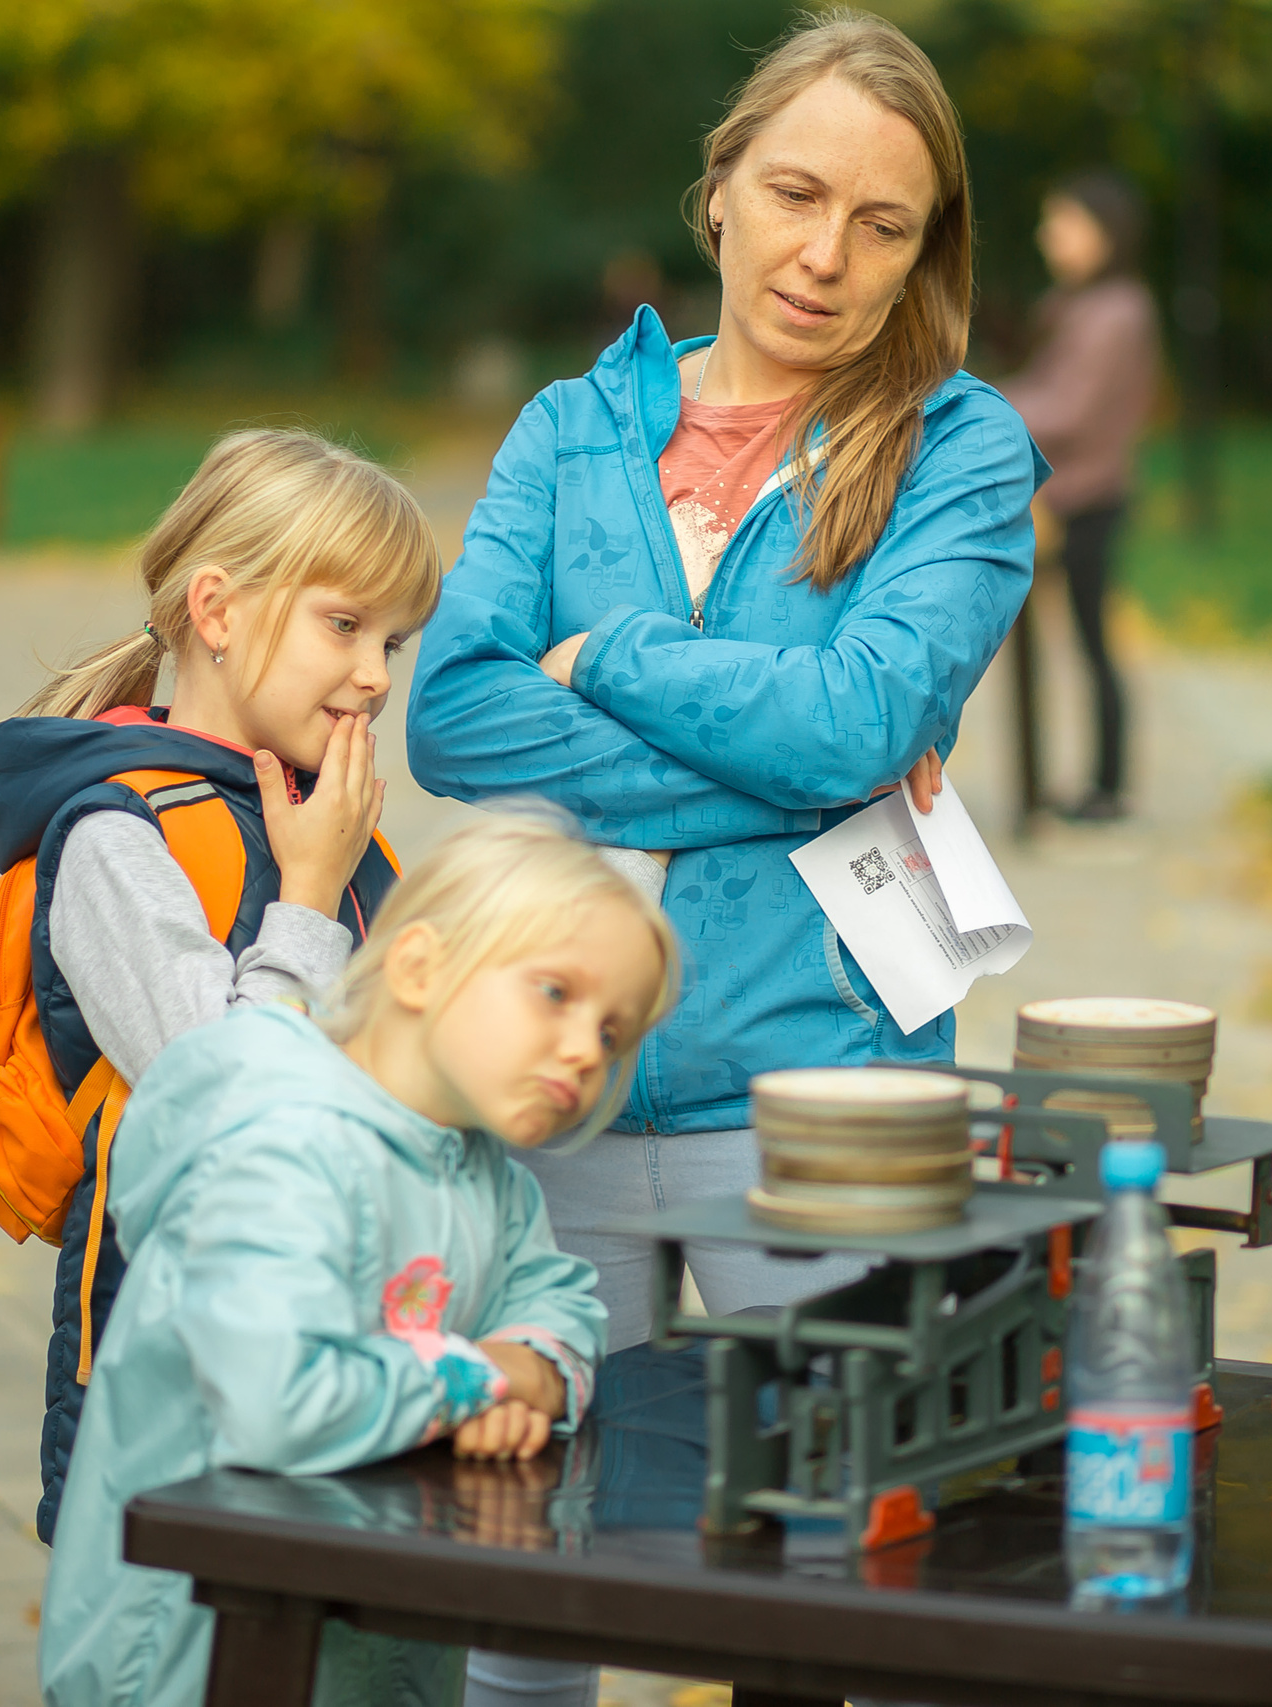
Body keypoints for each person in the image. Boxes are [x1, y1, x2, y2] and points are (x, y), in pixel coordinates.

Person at [408, 14, 1040, 1701]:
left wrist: (605, 655)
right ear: (722, 188)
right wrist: (785, 749)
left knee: (831, 1592)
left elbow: (858, 728)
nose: (825, 257)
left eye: (883, 225)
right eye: (794, 192)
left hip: (830, 1100)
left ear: (928, 249)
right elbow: (453, 722)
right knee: (533, 1589)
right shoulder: (569, 428)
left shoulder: (960, 449)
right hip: (559, 1082)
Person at [38, 813, 671, 1707]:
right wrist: (478, 1376)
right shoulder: (282, 1145)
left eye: (613, 1032)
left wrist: (527, 1366)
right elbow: (276, 1401)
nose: (584, 1049)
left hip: (374, 1649)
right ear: (417, 968)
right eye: (555, 993)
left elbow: (564, 1307)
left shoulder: (485, 1174)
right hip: (196, 1655)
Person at [0, 428, 437, 1542]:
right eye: (344, 625)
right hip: (174, 1367)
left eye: (395, 642)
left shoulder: (321, 814)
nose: (375, 675)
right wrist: (310, 899)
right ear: (218, 613)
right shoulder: (116, 838)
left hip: (344, 1326)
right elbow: (223, 1092)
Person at [1000, 170, 1163, 822]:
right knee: (1076, 639)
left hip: (1089, 497)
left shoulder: (1117, 311)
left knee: (1093, 640)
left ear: (1104, 233)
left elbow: (1068, 408)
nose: (1050, 235)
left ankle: (1109, 787)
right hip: (1070, 495)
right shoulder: (1080, 304)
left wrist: (979, 406)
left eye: (1063, 222)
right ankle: (1076, 782)